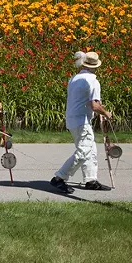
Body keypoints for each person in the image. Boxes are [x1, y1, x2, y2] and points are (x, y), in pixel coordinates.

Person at [50, 51, 113, 193]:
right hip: (81, 120)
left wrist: (98, 109)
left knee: (90, 149)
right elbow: (95, 105)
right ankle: (59, 178)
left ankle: (91, 180)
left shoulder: (74, 78)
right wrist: (106, 113)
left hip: (73, 119)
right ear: (95, 66)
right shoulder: (93, 80)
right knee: (84, 151)